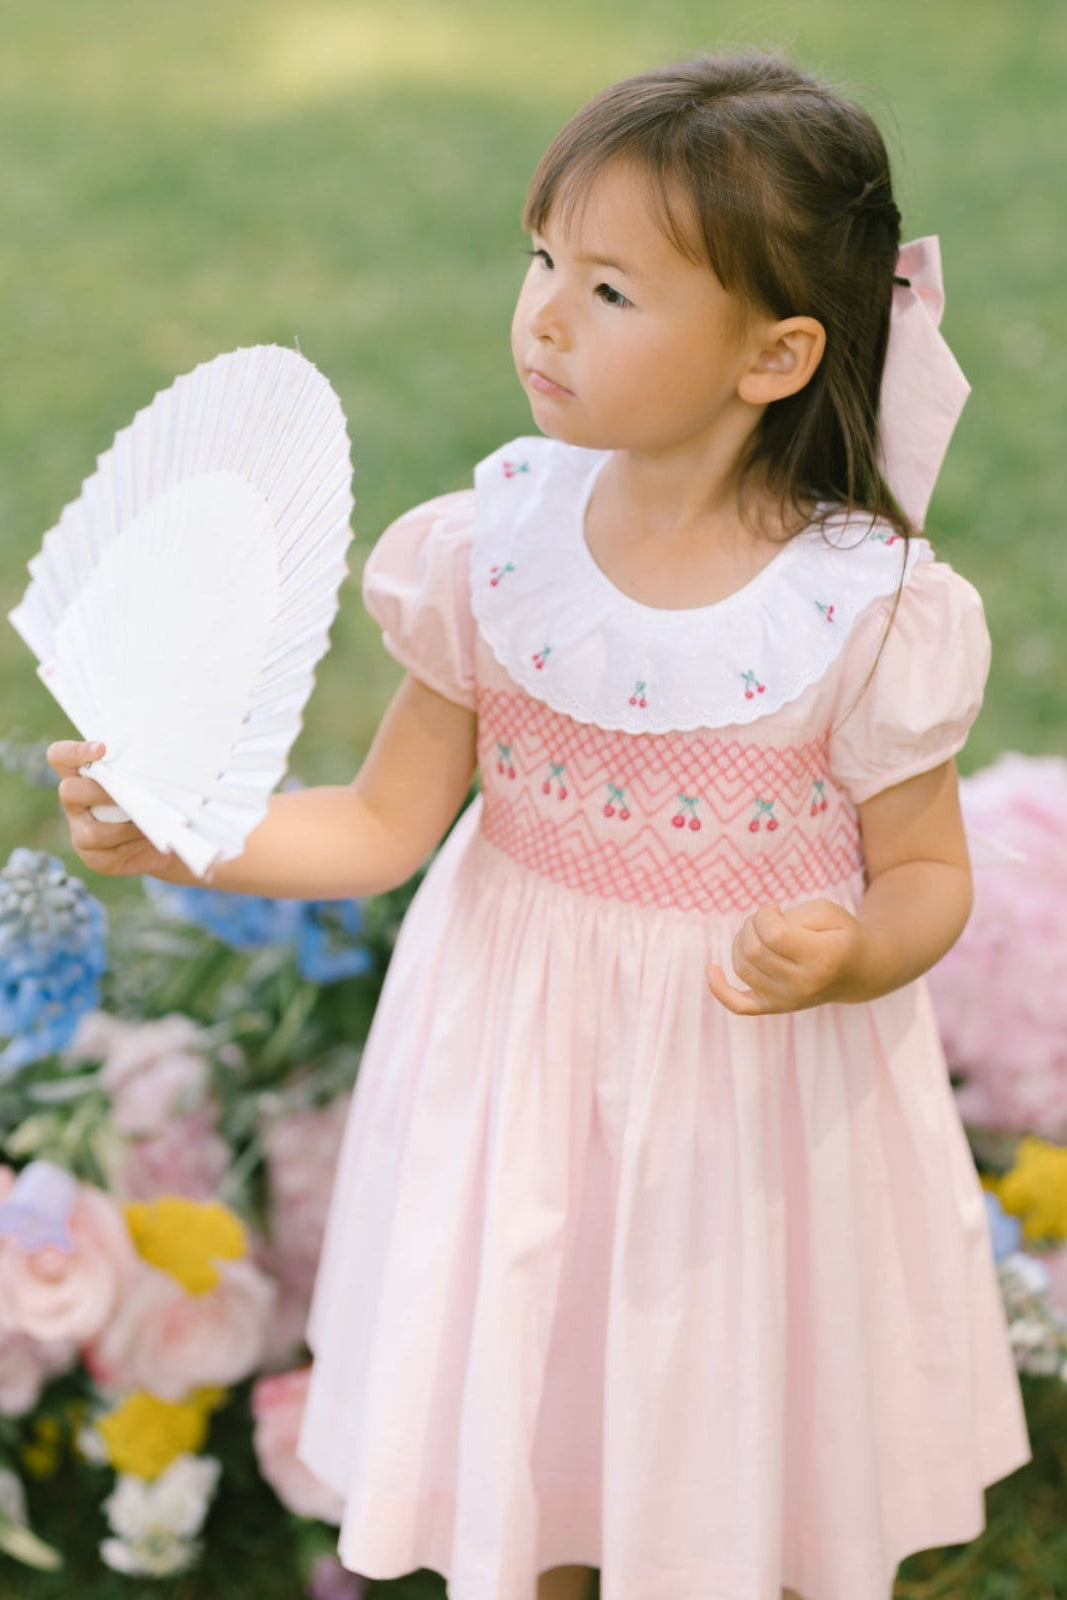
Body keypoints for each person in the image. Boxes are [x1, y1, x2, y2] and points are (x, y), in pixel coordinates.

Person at [48, 51, 1031, 1600]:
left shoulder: (868, 606)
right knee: (536, 1387)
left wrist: (849, 948)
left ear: (774, 355)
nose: (546, 316)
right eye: (542, 262)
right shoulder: (491, 550)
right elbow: (382, 825)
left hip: (749, 1092)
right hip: (518, 1055)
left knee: (724, 1398)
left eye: (613, 291)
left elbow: (922, 870)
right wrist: (185, 834)